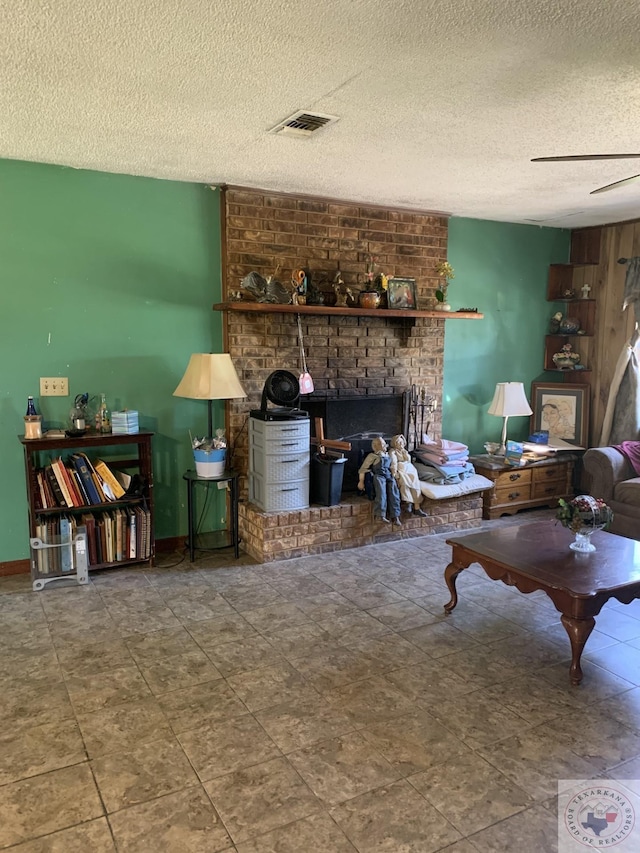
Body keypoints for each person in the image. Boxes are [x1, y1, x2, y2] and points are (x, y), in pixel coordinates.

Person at [358, 436, 402, 524]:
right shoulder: (372, 456)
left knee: (394, 493)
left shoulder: (388, 455)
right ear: (374, 446)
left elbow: (392, 467)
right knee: (381, 493)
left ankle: (395, 516)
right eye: (379, 444)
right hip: (379, 476)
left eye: (382, 443)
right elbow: (363, 469)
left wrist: (395, 477)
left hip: (388, 475)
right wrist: (361, 481)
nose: (381, 445)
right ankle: (380, 515)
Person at [389, 434, 427, 516]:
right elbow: (394, 462)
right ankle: (408, 501)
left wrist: (405, 454)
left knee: (415, 483)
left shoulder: (404, 451)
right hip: (401, 468)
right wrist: (394, 472)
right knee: (404, 481)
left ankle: (417, 507)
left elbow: (408, 461)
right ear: (394, 443)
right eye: (399, 442)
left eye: (402, 442)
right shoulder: (393, 452)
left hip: (409, 468)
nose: (401, 444)